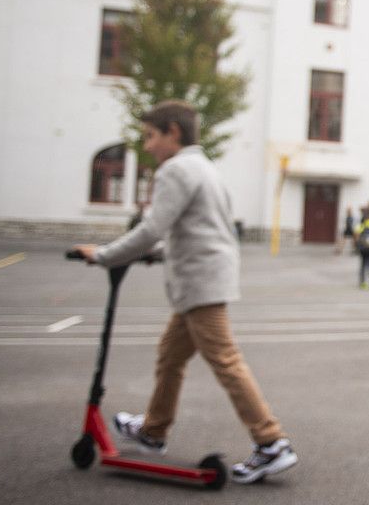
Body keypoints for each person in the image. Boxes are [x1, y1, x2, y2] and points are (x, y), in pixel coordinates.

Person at [74, 100, 297, 484]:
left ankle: (271, 441)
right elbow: (201, 229)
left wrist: (105, 256)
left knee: (225, 360)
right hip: (205, 277)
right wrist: (158, 255)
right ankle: (154, 429)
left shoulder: (175, 170)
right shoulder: (206, 167)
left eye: (150, 136)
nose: (147, 146)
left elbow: (151, 228)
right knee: (170, 354)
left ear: (173, 132)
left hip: (199, 282)